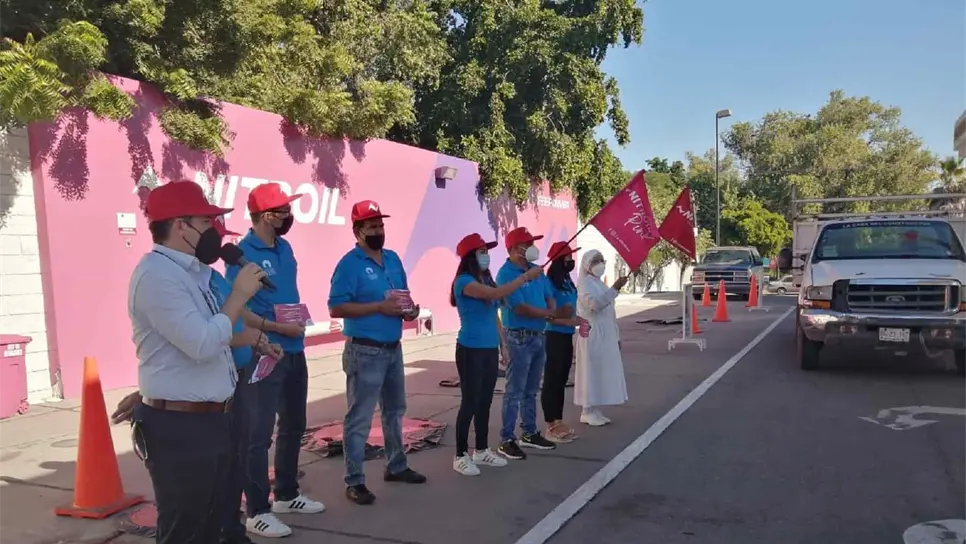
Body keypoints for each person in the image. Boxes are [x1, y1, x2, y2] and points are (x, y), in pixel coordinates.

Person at [115, 218, 283, 544]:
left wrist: (253, 337)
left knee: (214, 521)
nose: (213, 232)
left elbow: (215, 333)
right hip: (182, 425)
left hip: (215, 414)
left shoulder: (198, 274)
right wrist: (239, 293)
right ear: (181, 225)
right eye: (205, 222)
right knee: (186, 528)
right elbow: (202, 343)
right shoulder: (156, 276)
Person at [225, 182, 324, 538]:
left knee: (294, 425)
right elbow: (236, 308)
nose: (289, 217)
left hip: (294, 350)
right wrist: (274, 326)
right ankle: (257, 510)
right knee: (258, 434)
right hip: (263, 351)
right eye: (283, 212)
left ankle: (286, 493)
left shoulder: (286, 247)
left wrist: (294, 325)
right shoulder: (242, 255)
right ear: (267, 216)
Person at [328, 200, 427, 505]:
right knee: (359, 418)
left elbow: (401, 298)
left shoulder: (394, 259)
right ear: (357, 231)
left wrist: (409, 311)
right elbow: (336, 306)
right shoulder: (349, 264)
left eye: (380, 225)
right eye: (371, 226)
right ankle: (354, 480)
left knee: (395, 411)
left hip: (393, 348)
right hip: (364, 351)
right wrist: (377, 308)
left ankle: (396, 465)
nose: (378, 231)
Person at [450, 233, 543, 476]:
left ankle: (481, 450)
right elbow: (494, 296)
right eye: (482, 251)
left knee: (485, 402)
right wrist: (524, 277)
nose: (487, 256)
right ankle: (460, 454)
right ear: (471, 256)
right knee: (469, 402)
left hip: (489, 348)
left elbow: (494, 313)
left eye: (487, 251)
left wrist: (503, 344)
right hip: (470, 348)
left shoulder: (486, 280)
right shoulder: (464, 281)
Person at [495, 227, 565, 460]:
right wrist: (547, 314)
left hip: (538, 335)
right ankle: (507, 438)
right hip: (518, 336)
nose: (533, 248)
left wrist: (551, 309)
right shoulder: (506, 275)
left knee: (531, 388)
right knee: (514, 390)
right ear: (515, 249)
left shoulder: (537, 271)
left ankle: (529, 432)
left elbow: (549, 294)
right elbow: (519, 308)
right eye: (528, 244)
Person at [574, 250, 629, 426]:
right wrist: (615, 288)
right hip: (592, 334)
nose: (600, 264)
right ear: (586, 265)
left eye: (601, 260)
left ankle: (594, 407)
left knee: (600, 371)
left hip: (605, 334)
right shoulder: (584, 285)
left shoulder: (598, 284)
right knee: (590, 370)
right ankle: (586, 409)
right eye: (595, 261)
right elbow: (594, 305)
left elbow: (610, 311)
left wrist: (617, 336)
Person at [541, 241, 586, 443]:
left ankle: (558, 420)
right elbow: (546, 315)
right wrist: (567, 320)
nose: (571, 261)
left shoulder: (566, 281)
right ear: (559, 259)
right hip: (553, 335)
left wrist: (577, 320)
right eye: (568, 257)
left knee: (561, 380)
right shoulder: (548, 283)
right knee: (551, 380)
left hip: (567, 335)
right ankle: (550, 423)